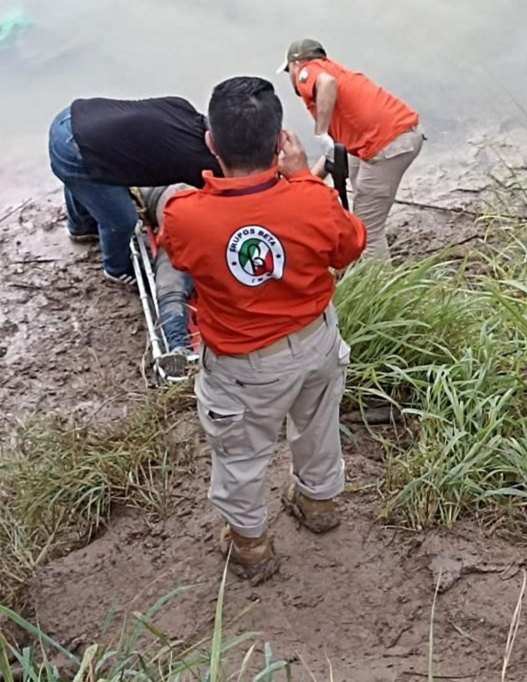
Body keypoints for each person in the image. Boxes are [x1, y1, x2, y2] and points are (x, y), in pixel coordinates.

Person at [158, 75, 367, 583]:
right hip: (316, 341)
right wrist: (303, 180)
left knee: (241, 453)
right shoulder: (312, 199)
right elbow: (350, 246)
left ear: (211, 143)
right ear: (281, 142)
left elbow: (176, 251)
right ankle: (318, 506)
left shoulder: (187, 215)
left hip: (243, 366)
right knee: (317, 428)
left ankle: (250, 545)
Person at [278, 38, 424, 263]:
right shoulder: (338, 78)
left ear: (296, 64)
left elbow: (326, 84)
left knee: (366, 229)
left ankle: (379, 290)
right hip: (400, 134)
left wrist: (320, 132)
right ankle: (364, 250)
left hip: (388, 145)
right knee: (354, 174)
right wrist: (301, 183)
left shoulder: (307, 72)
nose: (292, 76)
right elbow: (333, 154)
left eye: (289, 70)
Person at [47, 96, 220, 285]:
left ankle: (81, 227)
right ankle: (116, 268)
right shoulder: (200, 163)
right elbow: (214, 204)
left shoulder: (182, 107)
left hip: (73, 118)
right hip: (75, 149)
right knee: (122, 221)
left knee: (84, 183)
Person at [138, 183, 198, 380]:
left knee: (170, 290)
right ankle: (179, 347)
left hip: (176, 212)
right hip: (189, 209)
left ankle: (179, 347)